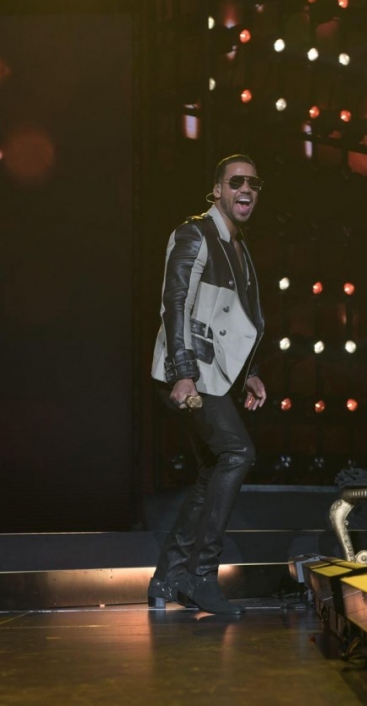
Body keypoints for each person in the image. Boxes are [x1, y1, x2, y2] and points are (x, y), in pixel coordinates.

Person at [148, 154, 267, 616]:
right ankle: (200, 576)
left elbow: (238, 320)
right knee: (238, 453)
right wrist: (183, 372)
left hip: (214, 374)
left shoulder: (238, 246)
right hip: (190, 371)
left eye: (253, 183)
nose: (246, 188)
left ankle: (168, 578)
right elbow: (175, 302)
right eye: (236, 181)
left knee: (210, 470)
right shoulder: (195, 234)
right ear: (217, 190)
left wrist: (249, 371)